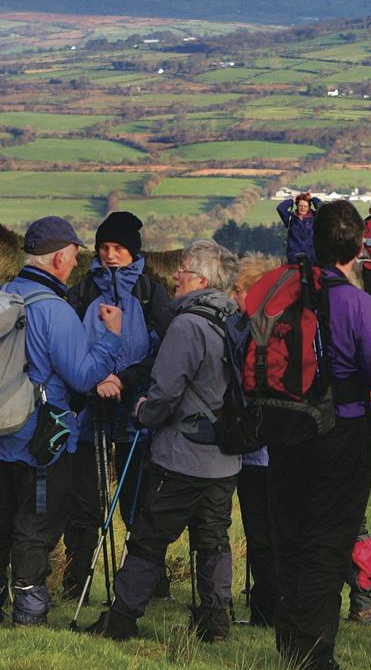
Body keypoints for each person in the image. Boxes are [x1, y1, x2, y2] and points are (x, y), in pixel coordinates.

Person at [0, 216, 124, 627]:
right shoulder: (56, 311)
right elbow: (83, 376)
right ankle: (29, 612)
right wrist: (111, 336)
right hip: (43, 439)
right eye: (73, 256)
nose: (75, 265)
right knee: (36, 524)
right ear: (58, 258)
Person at [91, 240, 242, 642]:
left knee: (149, 536)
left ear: (202, 280)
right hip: (225, 457)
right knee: (213, 539)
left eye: (185, 270)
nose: (176, 276)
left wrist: (144, 411)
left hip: (182, 456)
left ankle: (121, 619)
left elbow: (165, 391)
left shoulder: (188, 325)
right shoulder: (233, 318)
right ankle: (215, 621)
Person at [269, 199, 371, 670]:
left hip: (284, 426)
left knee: (290, 534)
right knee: (328, 540)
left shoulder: (283, 293)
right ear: (358, 247)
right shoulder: (359, 305)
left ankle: (290, 642)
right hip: (343, 426)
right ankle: (315, 654)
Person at [60, 211, 165, 602]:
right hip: (89, 414)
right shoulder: (82, 291)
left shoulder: (152, 293)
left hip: (137, 418)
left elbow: (165, 353)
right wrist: (94, 380)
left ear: (132, 251)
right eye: (104, 247)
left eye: (118, 247)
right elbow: (67, 349)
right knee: (85, 505)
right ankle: (77, 584)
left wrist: (126, 379)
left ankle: (148, 585)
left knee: (139, 506)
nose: (110, 254)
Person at [230, 251, 282, 629]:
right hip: (276, 446)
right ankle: (270, 603)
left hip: (256, 449)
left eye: (237, 289)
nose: (232, 296)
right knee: (270, 531)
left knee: (261, 532)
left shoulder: (254, 330)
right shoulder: (282, 327)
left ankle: (266, 608)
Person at [277, 191, 316, 264]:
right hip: (294, 256)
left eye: (305, 206)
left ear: (309, 208)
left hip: (311, 256)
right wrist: (292, 200)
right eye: (300, 206)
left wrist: (313, 199)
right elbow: (280, 208)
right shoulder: (290, 218)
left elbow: (323, 208)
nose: (302, 208)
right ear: (297, 206)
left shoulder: (315, 218)